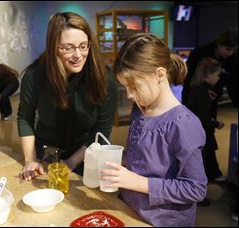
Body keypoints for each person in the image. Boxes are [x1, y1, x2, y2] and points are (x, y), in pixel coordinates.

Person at [100, 33, 208, 227]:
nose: (129, 94)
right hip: (131, 211)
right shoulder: (140, 109)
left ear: (159, 74)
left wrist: (138, 183)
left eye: (134, 86)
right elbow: (142, 156)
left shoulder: (183, 124)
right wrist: (118, 160)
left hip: (164, 221)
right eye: (125, 87)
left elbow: (196, 188)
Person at [17, 12, 117, 180]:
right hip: (47, 156)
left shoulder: (103, 78)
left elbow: (102, 130)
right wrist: (30, 160)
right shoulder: (35, 76)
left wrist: (71, 163)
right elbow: (25, 118)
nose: (78, 55)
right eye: (68, 48)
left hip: (87, 156)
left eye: (83, 45)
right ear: (53, 46)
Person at [187, 58, 225, 207]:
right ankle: (198, 197)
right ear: (208, 75)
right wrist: (217, 123)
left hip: (196, 133)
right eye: (217, 74)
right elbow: (202, 117)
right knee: (199, 167)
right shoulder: (201, 92)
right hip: (201, 134)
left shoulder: (197, 88)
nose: (218, 78)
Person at [182, 29, 238, 117]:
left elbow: (233, 84)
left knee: (208, 127)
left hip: (212, 101)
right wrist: (201, 92)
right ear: (219, 44)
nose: (230, 53)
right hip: (192, 98)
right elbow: (188, 77)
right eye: (227, 49)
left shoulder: (233, 59)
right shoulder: (199, 53)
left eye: (234, 50)